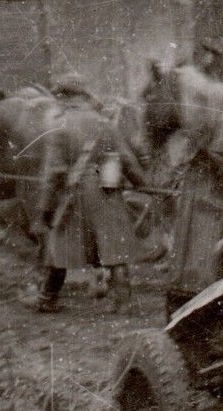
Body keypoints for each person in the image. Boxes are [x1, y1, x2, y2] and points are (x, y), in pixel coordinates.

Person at [23, 87, 151, 313]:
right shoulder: (104, 123)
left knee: (58, 247)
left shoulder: (59, 125)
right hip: (106, 189)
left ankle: (47, 298)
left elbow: (54, 172)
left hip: (75, 194)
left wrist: (45, 209)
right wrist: (145, 186)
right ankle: (123, 301)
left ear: (65, 98)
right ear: (83, 97)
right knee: (113, 246)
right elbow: (127, 161)